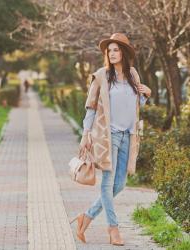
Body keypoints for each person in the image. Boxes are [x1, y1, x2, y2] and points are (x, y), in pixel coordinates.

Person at [71, 33, 151, 246]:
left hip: (128, 136)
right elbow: (91, 107)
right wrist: (85, 134)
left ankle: (86, 217)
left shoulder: (133, 74)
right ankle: (113, 229)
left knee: (120, 184)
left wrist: (146, 94)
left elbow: (135, 106)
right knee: (107, 183)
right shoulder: (101, 76)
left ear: (124, 53)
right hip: (108, 137)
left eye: (116, 49)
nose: (112, 53)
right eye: (110, 50)